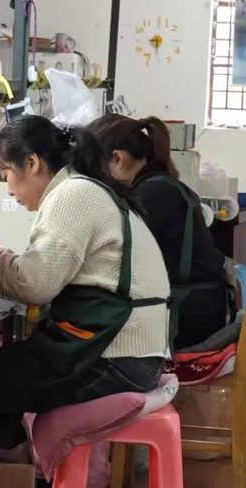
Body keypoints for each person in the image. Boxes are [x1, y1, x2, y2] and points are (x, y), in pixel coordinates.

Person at [0, 115, 170, 488]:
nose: (9, 190)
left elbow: (34, 284)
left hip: (112, 360)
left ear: (33, 163)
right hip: (124, 355)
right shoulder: (86, 188)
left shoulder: (74, 194)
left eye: (7, 174)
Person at [88, 115, 234, 350]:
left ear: (117, 159)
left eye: (94, 169)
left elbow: (115, 259)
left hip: (187, 317)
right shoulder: (162, 185)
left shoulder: (152, 195)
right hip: (202, 308)